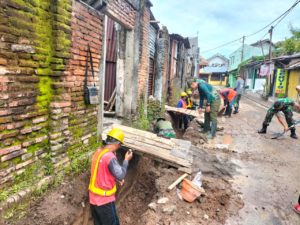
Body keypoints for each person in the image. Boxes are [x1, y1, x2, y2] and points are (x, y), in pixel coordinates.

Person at [89, 128, 133, 225]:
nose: (119, 147)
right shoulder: (109, 157)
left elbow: (101, 171)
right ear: (117, 144)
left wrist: (115, 178)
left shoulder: (98, 152)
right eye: (120, 145)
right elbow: (121, 174)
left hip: (94, 198)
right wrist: (126, 160)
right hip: (104, 200)